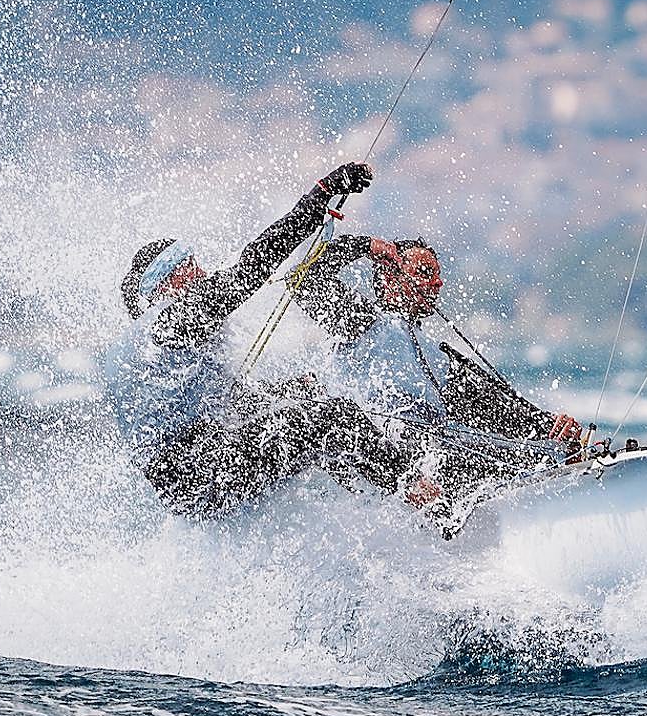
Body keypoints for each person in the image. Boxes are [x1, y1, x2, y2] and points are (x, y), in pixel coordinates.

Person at [107, 162, 431, 519]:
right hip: (199, 473)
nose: (202, 272)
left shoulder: (155, 342)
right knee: (336, 417)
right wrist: (320, 195)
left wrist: (284, 393)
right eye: (189, 266)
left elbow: (216, 406)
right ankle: (427, 499)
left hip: (188, 480)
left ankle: (373, 501)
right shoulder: (172, 322)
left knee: (309, 396)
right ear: (166, 284)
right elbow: (254, 264)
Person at [290, 233, 583, 501]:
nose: (438, 283)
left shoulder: (435, 353)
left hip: (432, 458)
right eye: (425, 273)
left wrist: (548, 426)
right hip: (377, 460)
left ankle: (565, 464)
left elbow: (492, 407)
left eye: (438, 276)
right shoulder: (360, 322)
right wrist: (364, 246)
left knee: (512, 452)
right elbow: (303, 280)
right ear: (389, 279)